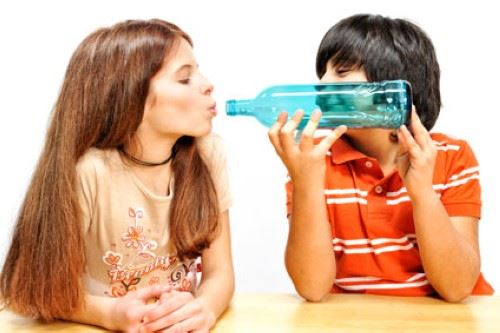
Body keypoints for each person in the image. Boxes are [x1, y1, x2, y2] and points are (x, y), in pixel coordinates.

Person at [0, 19, 234, 332]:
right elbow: (24, 289)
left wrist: (204, 309)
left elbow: (221, 273)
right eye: (184, 78)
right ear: (130, 96)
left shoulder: (208, 155)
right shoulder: (89, 172)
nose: (207, 84)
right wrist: (108, 314)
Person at [268, 14, 493, 303]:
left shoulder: (452, 157)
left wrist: (423, 193)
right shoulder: (312, 161)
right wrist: (306, 183)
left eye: (342, 71)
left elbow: (458, 287)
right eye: (322, 73)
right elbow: (312, 288)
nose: (322, 84)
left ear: (391, 88)